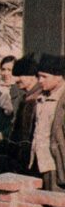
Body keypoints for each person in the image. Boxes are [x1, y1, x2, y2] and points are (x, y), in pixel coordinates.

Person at [30, 54, 65, 191]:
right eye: (39, 76)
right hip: (38, 163)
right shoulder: (41, 98)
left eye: (44, 76)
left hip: (56, 166)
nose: (39, 80)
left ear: (59, 76)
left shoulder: (61, 100)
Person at [0, 55, 23, 174]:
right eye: (3, 69)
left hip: (13, 145)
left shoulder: (21, 91)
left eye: (10, 70)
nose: (6, 73)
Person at [9, 54, 41, 176]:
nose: (16, 80)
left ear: (33, 76)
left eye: (20, 75)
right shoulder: (26, 97)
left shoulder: (37, 99)